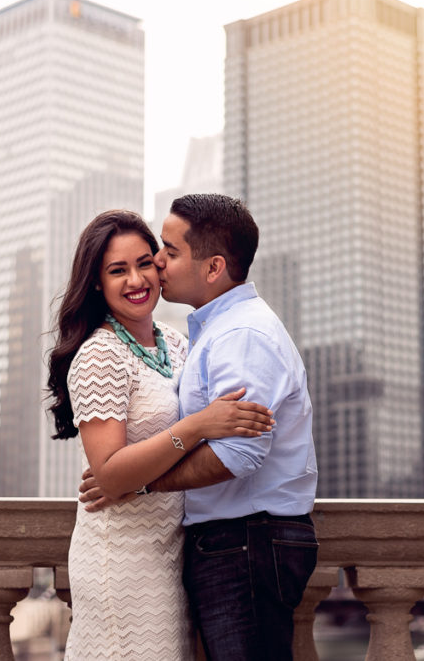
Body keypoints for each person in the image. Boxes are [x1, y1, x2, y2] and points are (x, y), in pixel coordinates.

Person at [81, 194, 319, 661]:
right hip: (226, 545)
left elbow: (239, 454)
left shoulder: (239, 335)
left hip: (245, 543)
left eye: (168, 252)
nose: (157, 265)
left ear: (212, 269)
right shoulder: (206, 334)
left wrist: (140, 485)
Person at [47, 209, 274, 661]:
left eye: (144, 263)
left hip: (172, 553)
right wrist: (197, 426)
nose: (136, 279)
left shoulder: (177, 343)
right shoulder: (99, 355)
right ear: (96, 282)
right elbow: (109, 476)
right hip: (121, 560)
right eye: (117, 270)